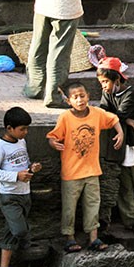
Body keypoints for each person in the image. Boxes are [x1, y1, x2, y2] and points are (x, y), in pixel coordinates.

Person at [48, 81, 123, 252]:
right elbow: (53, 136)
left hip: (92, 171)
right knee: (69, 207)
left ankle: (93, 238)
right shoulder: (65, 118)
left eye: (82, 96)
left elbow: (113, 119)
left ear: (88, 96)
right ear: (69, 101)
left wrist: (120, 132)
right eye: (75, 97)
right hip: (71, 173)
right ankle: (69, 238)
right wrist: (54, 143)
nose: (80, 100)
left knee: (93, 205)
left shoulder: (96, 114)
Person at [0, 106, 41, 267]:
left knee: (10, 234)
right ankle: (26, 239)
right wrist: (15, 176)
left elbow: (22, 164)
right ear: (9, 128)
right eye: (22, 129)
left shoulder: (21, 142)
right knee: (19, 230)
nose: (25, 132)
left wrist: (31, 169)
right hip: (9, 196)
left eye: (27, 128)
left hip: (25, 193)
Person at [96, 58, 134, 236]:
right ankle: (131, 219)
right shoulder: (107, 93)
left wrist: (125, 119)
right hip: (120, 145)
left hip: (133, 144)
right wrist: (128, 121)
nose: (103, 86)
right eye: (101, 82)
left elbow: (116, 114)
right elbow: (104, 112)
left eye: (105, 82)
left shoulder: (130, 95)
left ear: (117, 80)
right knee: (125, 182)